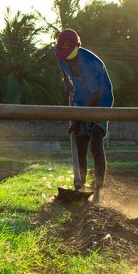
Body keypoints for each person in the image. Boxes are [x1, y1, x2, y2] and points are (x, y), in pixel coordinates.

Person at [55, 28, 114, 203]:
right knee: (80, 144)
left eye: (70, 54)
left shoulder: (90, 63)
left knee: (95, 144)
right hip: (80, 98)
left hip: (101, 100)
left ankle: (98, 190)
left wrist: (77, 118)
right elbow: (64, 70)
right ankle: (80, 186)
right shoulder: (60, 56)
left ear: (78, 47)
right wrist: (67, 81)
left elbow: (95, 94)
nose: (67, 58)